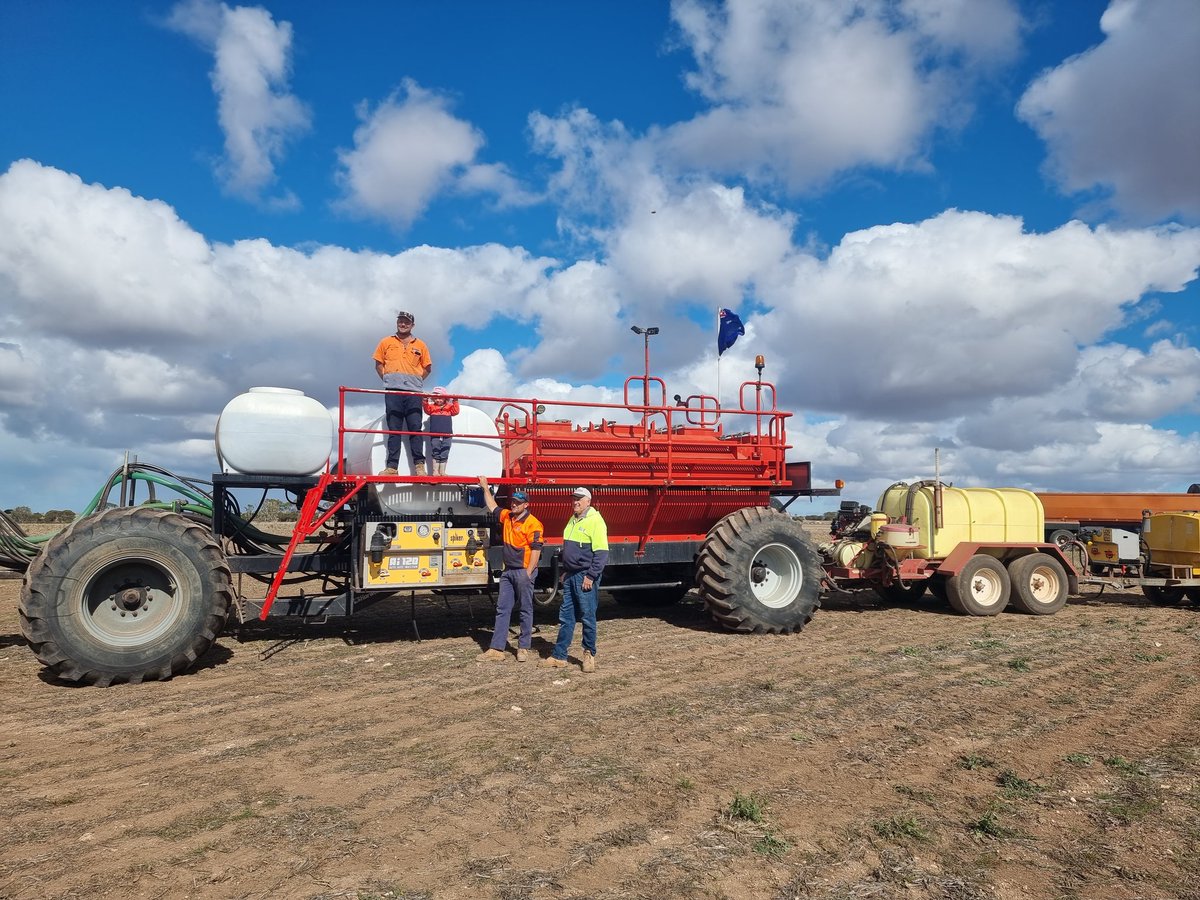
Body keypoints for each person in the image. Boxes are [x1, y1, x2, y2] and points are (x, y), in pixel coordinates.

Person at [476, 476, 543, 663]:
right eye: (513, 502)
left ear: (526, 505)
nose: (514, 505)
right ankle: (496, 649)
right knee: (502, 608)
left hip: (523, 572)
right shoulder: (507, 517)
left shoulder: (533, 524)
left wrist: (528, 573)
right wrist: (485, 488)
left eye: (518, 503)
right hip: (508, 572)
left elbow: (537, 550)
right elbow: (492, 506)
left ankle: (523, 648)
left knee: (525, 609)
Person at [542, 486, 608, 673]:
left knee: (587, 616)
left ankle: (589, 654)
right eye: (574, 498)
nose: (575, 502)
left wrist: (591, 576)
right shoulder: (574, 519)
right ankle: (559, 655)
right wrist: (565, 571)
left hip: (585, 575)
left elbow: (602, 553)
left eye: (579, 499)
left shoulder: (595, 521)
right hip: (571, 575)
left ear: (588, 501)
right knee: (566, 617)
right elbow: (570, 550)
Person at [372, 311, 432, 475]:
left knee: (415, 428)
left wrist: (416, 382)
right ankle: (392, 467)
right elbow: (378, 364)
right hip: (393, 392)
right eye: (400, 321)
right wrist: (389, 380)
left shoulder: (420, 345)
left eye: (406, 322)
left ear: (412, 325)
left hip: (414, 393)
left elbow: (427, 368)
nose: (403, 324)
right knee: (394, 429)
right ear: (397, 323)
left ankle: (420, 466)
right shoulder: (386, 342)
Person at [423, 387, 459, 476]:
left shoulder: (449, 407)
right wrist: (425, 399)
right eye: (436, 398)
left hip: (447, 433)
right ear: (434, 398)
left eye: (441, 397)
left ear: (445, 398)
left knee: (445, 450)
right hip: (435, 434)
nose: (438, 400)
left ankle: (442, 471)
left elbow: (456, 411)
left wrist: (455, 400)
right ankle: (435, 471)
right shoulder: (432, 407)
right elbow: (426, 409)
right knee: (435, 450)